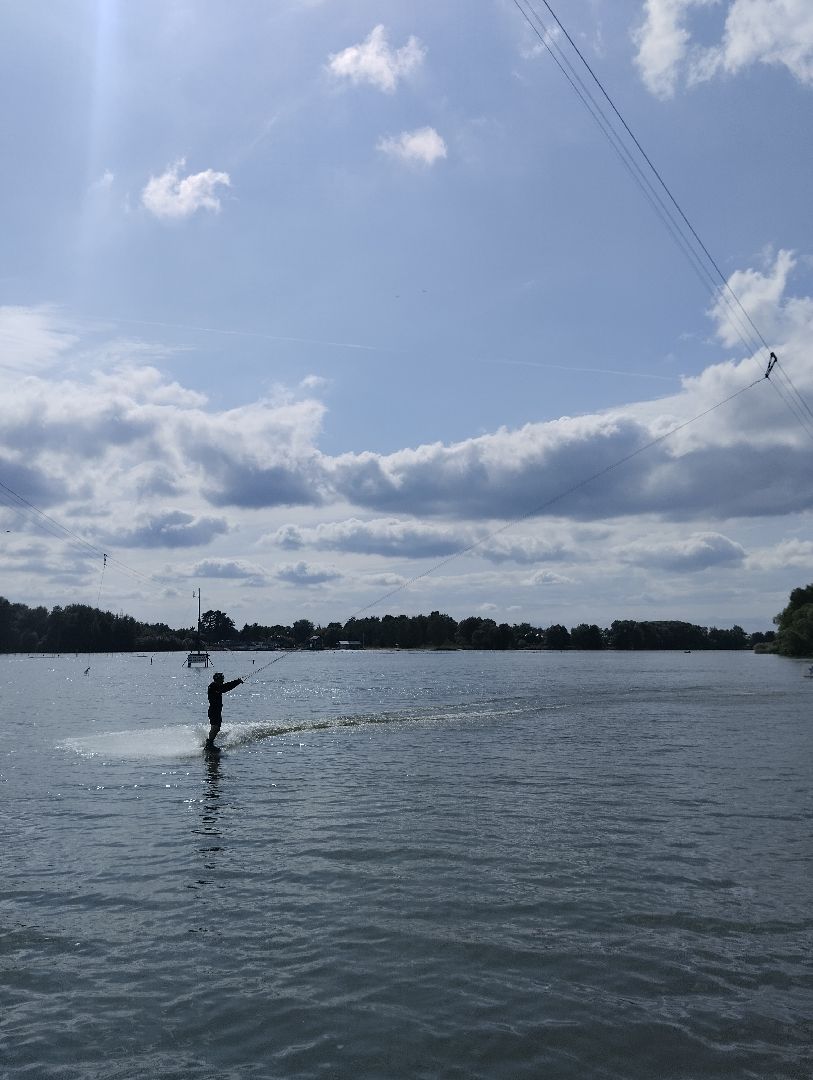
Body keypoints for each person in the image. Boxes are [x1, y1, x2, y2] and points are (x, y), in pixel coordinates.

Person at [205, 671, 242, 751]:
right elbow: (225, 688)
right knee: (215, 727)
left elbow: (225, 686)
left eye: (223, 679)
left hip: (217, 710)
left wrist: (236, 682)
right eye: (221, 679)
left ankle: (210, 743)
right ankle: (209, 744)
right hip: (213, 710)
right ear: (217, 679)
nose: (223, 681)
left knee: (217, 728)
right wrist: (237, 682)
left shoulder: (217, 686)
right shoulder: (213, 686)